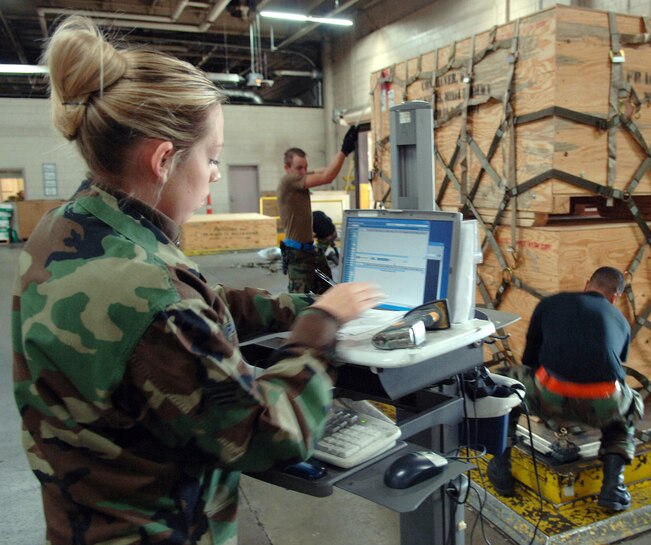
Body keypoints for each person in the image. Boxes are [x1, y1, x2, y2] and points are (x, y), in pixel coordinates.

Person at [11, 16, 381, 545]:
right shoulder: (155, 298)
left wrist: (296, 307)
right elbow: (271, 433)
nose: (213, 174)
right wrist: (318, 331)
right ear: (163, 160)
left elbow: (200, 303)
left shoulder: (70, 227)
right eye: (212, 157)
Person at [487, 267, 644, 512]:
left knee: (505, 382)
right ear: (616, 297)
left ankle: (500, 468)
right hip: (602, 404)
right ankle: (614, 486)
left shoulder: (551, 303)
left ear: (586, 284)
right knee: (630, 406)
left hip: (549, 395)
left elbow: (530, 360)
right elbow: (612, 366)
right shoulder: (621, 321)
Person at [278, 126, 358, 293]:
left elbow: (324, 170)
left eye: (305, 167)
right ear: (287, 168)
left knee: (330, 294)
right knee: (299, 304)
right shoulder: (288, 181)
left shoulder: (299, 176)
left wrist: (342, 153)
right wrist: (344, 150)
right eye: (299, 167)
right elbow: (328, 176)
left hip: (310, 252)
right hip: (298, 257)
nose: (304, 171)